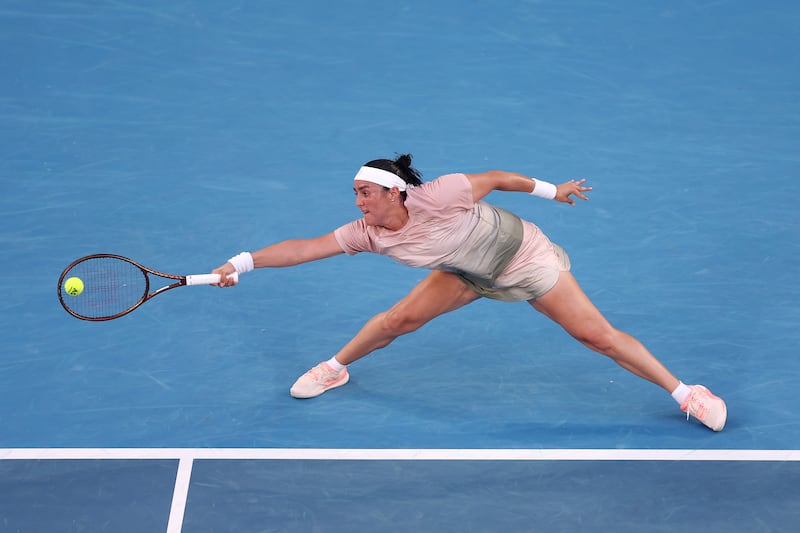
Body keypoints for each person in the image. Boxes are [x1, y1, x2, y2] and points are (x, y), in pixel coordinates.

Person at [212, 154, 727, 431]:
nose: (357, 200)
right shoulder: (365, 233)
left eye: (364, 191)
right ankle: (334, 368)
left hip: (525, 259)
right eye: (354, 194)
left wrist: (555, 190)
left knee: (598, 337)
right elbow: (304, 248)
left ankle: (689, 394)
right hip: (465, 271)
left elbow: (501, 177)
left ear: (393, 191)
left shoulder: (442, 193)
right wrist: (240, 263)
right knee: (398, 321)